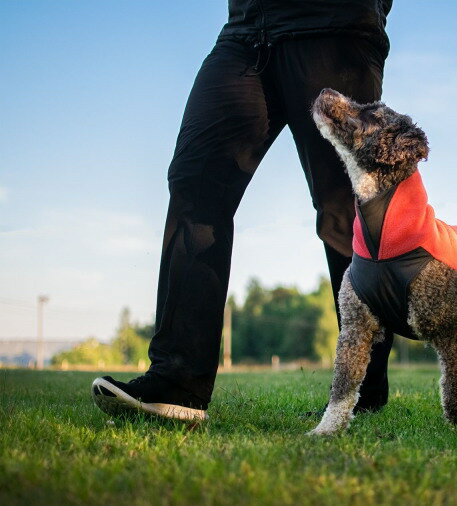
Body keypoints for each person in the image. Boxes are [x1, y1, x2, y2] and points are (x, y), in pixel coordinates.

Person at [91, 0, 395, 421]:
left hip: (334, 27)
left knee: (342, 208)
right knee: (196, 183)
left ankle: (361, 389)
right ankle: (176, 382)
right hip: (245, 32)